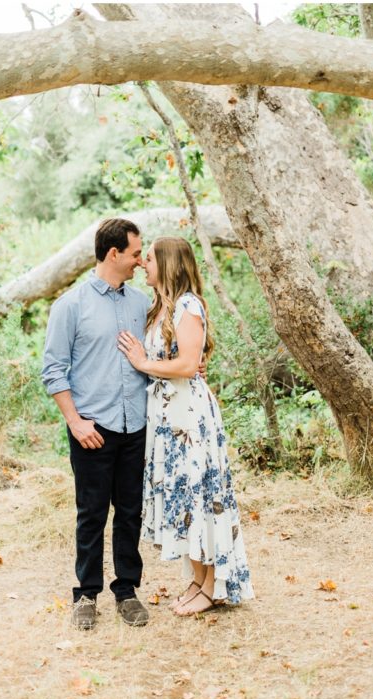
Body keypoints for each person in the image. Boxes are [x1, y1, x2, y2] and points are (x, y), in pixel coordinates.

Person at [117, 236, 254, 616]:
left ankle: (212, 587)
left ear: (169, 263)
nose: (144, 263)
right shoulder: (163, 307)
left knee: (199, 497)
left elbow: (188, 365)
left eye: (150, 259)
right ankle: (199, 580)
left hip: (189, 418)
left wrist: (144, 363)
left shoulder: (188, 306)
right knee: (183, 501)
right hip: (166, 420)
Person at [42, 217, 151, 630]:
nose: (141, 261)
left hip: (135, 426)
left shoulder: (142, 304)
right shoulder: (71, 306)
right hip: (92, 429)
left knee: (130, 512)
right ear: (114, 254)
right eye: (136, 253)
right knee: (91, 513)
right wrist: (75, 421)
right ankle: (86, 593)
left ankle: (126, 590)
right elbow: (54, 371)